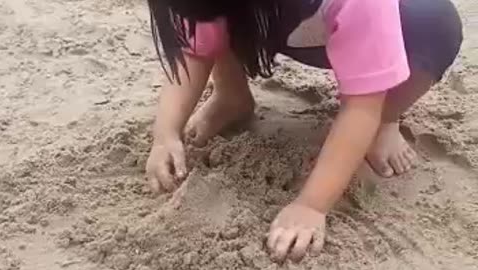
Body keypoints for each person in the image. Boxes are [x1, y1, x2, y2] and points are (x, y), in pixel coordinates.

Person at [145, 0, 463, 262]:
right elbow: (194, 48)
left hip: (395, 21)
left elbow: (361, 106)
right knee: (216, 12)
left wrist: (311, 205)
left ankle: (388, 118)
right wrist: (165, 133)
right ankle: (231, 95)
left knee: (436, 24)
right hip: (274, 19)